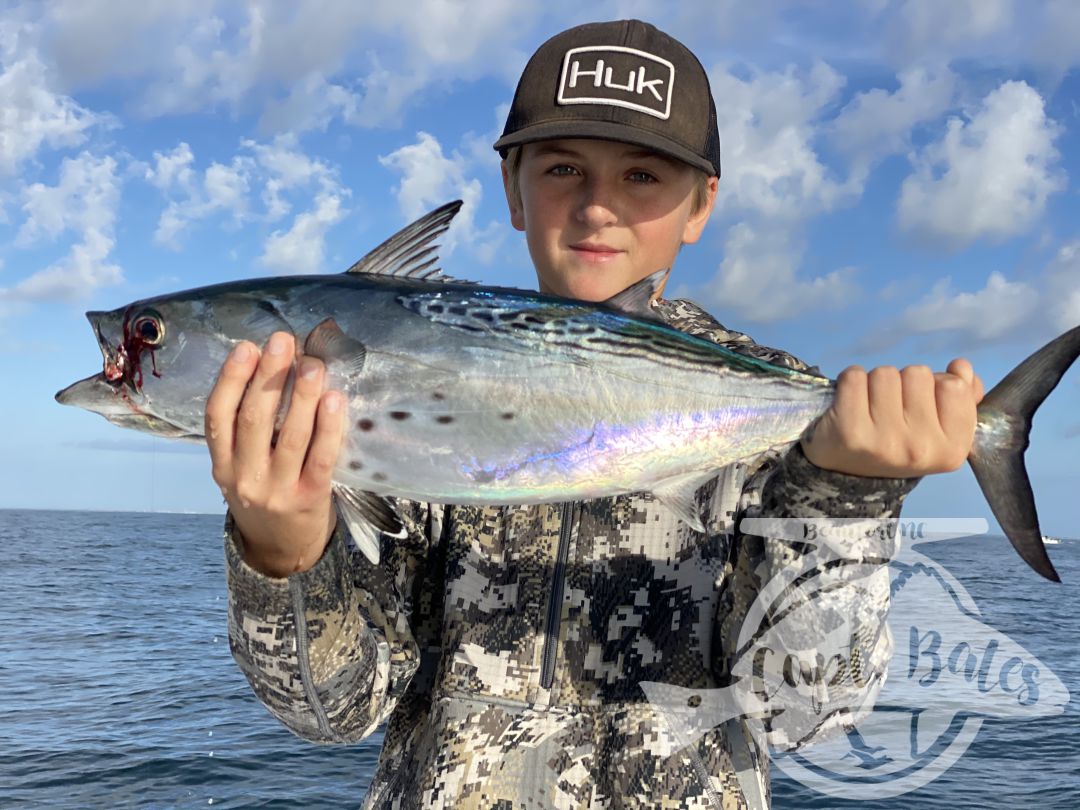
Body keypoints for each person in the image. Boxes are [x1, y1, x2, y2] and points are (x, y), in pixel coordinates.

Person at [206, 19, 983, 809]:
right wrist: (284, 552)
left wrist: (844, 501)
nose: (597, 207)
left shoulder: (792, 425)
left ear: (700, 205)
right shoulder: (404, 399)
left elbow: (809, 715)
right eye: (565, 167)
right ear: (513, 185)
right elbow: (335, 709)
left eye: (642, 177)